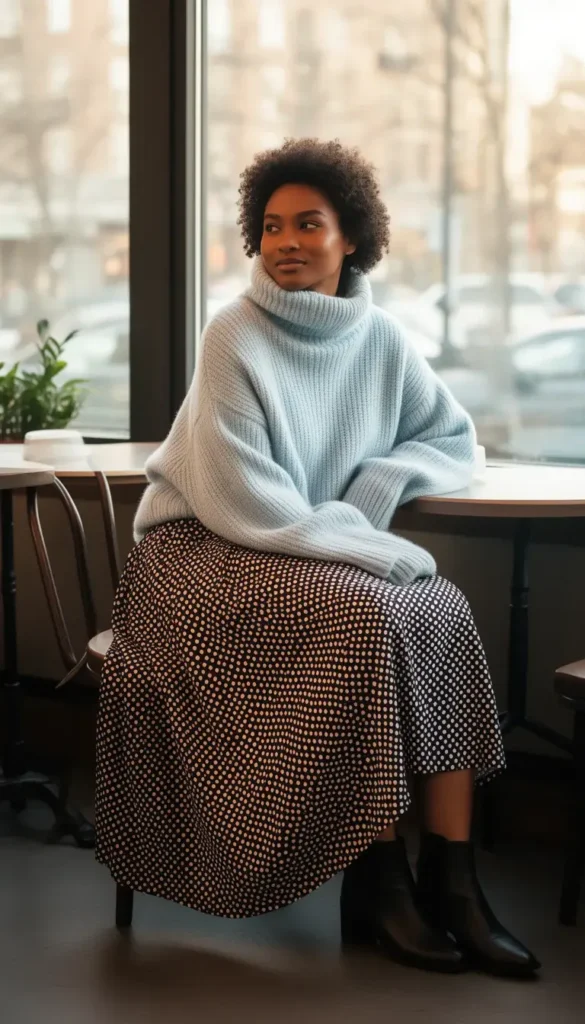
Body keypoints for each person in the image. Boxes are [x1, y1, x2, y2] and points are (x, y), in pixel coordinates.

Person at [95, 138, 540, 978]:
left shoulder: (380, 338)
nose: (286, 242)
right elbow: (242, 497)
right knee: (366, 614)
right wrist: (360, 547)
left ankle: (454, 879)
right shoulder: (232, 332)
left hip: (301, 548)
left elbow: (450, 437)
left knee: (440, 607)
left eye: (309, 224)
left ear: (351, 239)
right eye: (270, 227)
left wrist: (377, 489)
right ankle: (379, 879)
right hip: (199, 553)